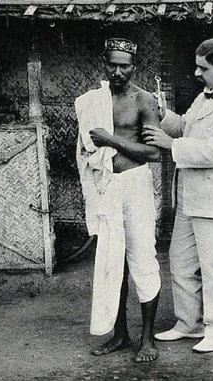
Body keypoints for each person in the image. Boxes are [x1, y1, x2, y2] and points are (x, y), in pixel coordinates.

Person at [142, 38, 213, 353]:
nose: (196, 73)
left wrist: (170, 145)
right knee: (180, 264)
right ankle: (188, 324)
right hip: (190, 199)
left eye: (202, 68)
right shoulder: (205, 97)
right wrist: (164, 115)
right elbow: (186, 127)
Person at [75, 37, 162, 362]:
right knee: (113, 263)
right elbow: (86, 147)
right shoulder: (93, 101)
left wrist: (111, 139)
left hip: (135, 185)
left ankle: (147, 339)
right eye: (112, 64)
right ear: (104, 62)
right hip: (107, 187)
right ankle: (120, 334)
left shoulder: (144, 100)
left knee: (142, 259)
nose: (117, 71)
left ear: (134, 66)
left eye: (124, 65)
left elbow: (154, 152)